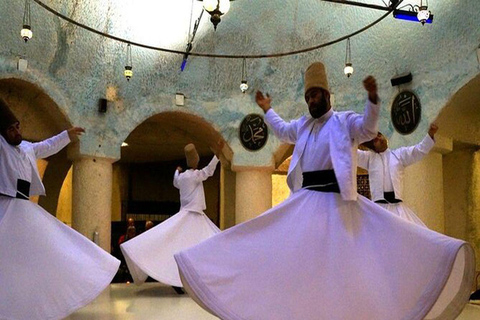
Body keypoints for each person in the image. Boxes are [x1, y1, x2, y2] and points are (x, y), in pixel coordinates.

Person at [174, 62, 474, 320]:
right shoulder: (304, 125)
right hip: (306, 201)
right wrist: (268, 110)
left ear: (327, 95)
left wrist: (372, 101)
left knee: (346, 265)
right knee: (280, 248)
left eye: (315, 94)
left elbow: (368, 130)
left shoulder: (345, 122)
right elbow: (282, 129)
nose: (311, 100)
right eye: (307, 96)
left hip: (339, 203)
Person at [0, 98, 120, 320]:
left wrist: (67, 135)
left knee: (49, 248)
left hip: (24, 208)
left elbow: (46, 146)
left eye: (17, 126)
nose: (16, 131)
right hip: (6, 206)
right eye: (10, 129)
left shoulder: (26, 148)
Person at [120, 142, 222, 290]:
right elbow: (209, 171)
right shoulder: (195, 176)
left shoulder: (181, 178)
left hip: (187, 214)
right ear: (196, 161)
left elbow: (175, 181)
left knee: (178, 246)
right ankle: (192, 279)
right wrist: (217, 155)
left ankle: (187, 279)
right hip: (193, 215)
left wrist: (176, 171)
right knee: (203, 244)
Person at [357, 124, 439, 227]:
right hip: (378, 209)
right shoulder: (369, 158)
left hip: (397, 208)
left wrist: (430, 134)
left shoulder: (399, 155)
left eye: (379, 135)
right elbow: (351, 153)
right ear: (373, 146)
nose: (379, 139)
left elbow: (418, 151)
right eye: (375, 140)